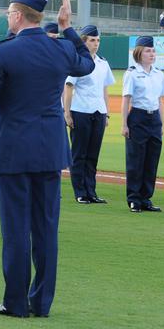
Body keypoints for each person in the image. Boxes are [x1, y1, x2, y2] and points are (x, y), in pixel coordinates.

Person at [0, 0, 94, 318]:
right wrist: (68, 27)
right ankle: (41, 303)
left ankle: (15, 303)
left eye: (10, 13)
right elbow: (87, 66)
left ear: (17, 15)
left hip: (15, 149)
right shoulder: (61, 48)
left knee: (15, 230)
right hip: (50, 149)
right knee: (45, 229)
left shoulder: (5, 52)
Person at [63, 25, 114, 204]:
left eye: (98, 40)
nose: (96, 43)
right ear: (84, 42)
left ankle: (91, 191)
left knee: (93, 155)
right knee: (79, 154)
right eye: (92, 40)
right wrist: (67, 113)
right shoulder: (78, 62)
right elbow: (68, 87)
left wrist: (106, 113)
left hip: (98, 112)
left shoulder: (103, 63)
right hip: (80, 111)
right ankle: (80, 192)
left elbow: (105, 89)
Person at [121, 36, 164, 213]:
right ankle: (134, 198)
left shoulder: (159, 74)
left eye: (153, 51)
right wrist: (124, 124)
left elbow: (160, 100)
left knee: (151, 160)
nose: (152, 54)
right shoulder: (132, 73)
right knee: (135, 160)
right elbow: (126, 100)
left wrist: (161, 124)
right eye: (148, 51)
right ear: (139, 53)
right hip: (138, 117)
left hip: (153, 117)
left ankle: (146, 198)